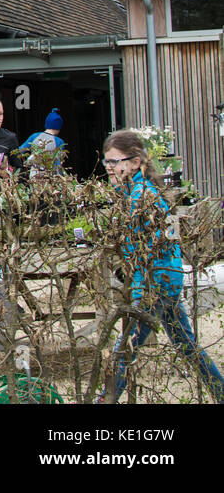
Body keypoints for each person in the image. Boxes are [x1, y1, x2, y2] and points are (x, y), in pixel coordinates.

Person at [100, 128, 224, 403]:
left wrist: (139, 297)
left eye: (115, 161)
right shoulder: (137, 192)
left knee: (124, 351)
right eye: (106, 162)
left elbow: (150, 251)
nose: (109, 168)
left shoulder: (141, 197)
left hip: (156, 285)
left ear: (135, 162)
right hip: (165, 280)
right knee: (187, 346)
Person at [20, 108, 66, 177]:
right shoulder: (59, 141)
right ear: (58, 128)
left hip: (34, 175)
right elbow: (58, 164)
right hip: (50, 177)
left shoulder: (34, 136)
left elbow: (20, 150)